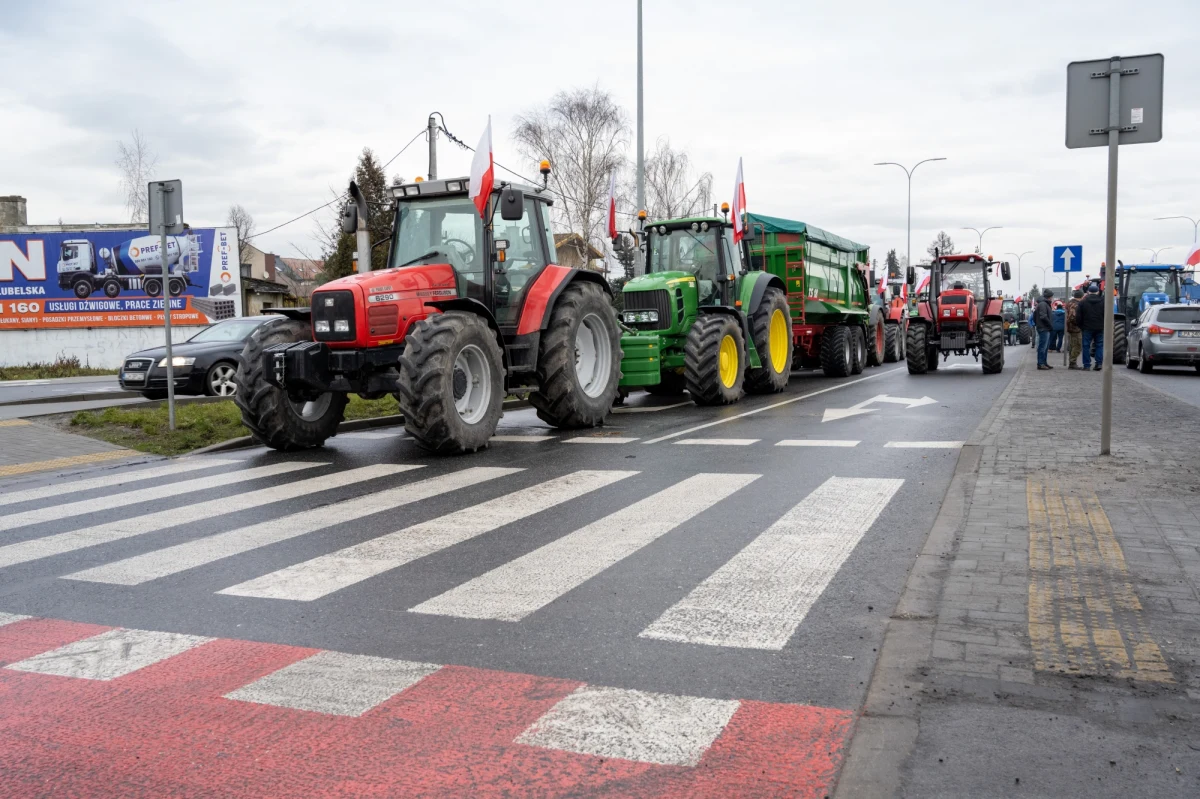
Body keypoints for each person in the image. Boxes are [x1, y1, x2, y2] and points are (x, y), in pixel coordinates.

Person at [1077, 283, 1106, 371]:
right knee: (1099, 345)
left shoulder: (1082, 302)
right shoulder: (1103, 301)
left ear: (1088, 292)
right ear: (1097, 292)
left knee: (1086, 346)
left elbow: (1078, 316)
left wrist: (1081, 326)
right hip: (1100, 327)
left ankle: (1086, 365)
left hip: (1087, 327)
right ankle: (1099, 364)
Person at [1035, 288, 1054, 369]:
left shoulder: (1044, 304)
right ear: (1050, 297)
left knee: (1045, 347)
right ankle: (1041, 363)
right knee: (1042, 347)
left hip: (1044, 328)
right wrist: (1049, 325)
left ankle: (1044, 362)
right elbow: (1043, 316)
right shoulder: (1043, 304)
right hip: (1044, 328)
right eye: (1052, 296)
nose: (1052, 298)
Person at [1066, 289, 1083, 369]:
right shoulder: (1076, 305)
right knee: (1077, 345)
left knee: (1072, 345)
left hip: (1071, 327)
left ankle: (1072, 362)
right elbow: (1073, 317)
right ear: (1081, 296)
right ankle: (1072, 363)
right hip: (1075, 328)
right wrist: (1080, 324)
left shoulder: (1070, 303)